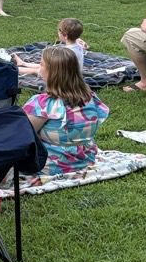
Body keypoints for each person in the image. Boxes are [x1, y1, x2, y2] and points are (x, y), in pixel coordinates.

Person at [22, 45, 109, 176]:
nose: (40, 68)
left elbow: (24, 134)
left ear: (53, 72)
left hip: (52, 163)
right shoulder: (89, 97)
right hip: (85, 159)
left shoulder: (43, 103)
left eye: (41, 64)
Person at [14, 17, 87, 79]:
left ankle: (13, 69)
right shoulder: (79, 46)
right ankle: (23, 63)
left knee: (40, 69)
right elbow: (79, 41)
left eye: (59, 31)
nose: (58, 33)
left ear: (65, 35)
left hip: (64, 78)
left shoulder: (66, 52)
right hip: (75, 75)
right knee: (44, 66)